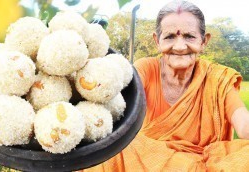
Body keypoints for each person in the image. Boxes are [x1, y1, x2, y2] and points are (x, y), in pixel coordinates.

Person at [82, 0, 249, 171]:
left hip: (205, 161)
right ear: (157, 41)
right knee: (122, 145)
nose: (179, 46)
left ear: (203, 41)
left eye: (189, 36)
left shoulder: (217, 78)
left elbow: (244, 125)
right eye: (170, 37)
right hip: (150, 159)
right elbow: (118, 103)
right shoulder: (146, 68)